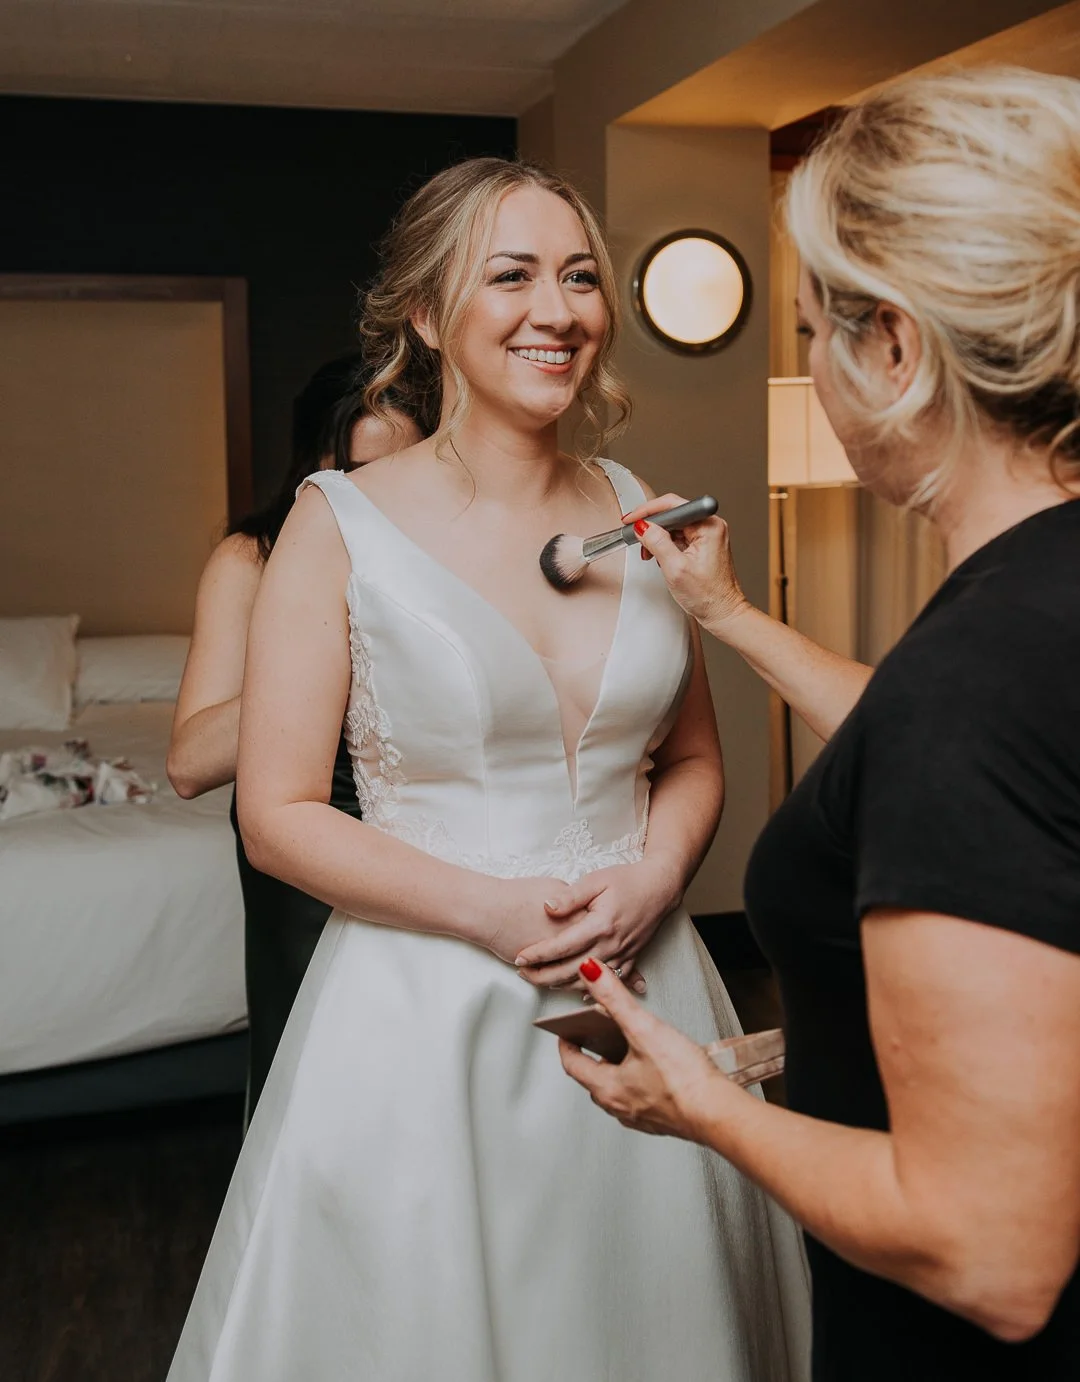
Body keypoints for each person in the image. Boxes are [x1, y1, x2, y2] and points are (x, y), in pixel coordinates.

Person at [166, 158, 811, 1382]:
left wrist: (657, 873)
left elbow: (690, 760)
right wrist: (498, 910)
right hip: (430, 1007)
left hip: (647, 979)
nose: (553, 310)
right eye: (508, 275)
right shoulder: (335, 522)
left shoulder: (634, 506)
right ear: (426, 314)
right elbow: (278, 811)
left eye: (578, 277)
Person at [559, 67, 1080, 1380]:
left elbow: (991, 1251)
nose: (809, 363)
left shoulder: (981, 673)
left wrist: (699, 1106)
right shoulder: (1028, 623)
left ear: (895, 348)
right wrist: (727, 613)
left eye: (808, 327)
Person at [167, 353, 426, 1118]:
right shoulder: (254, 557)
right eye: (355, 473)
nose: (378, 499)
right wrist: (318, 660)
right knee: (313, 1082)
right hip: (302, 857)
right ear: (315, 466)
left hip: (419, 842)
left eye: (402, 472)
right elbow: (187, 762)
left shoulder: (453, 557)